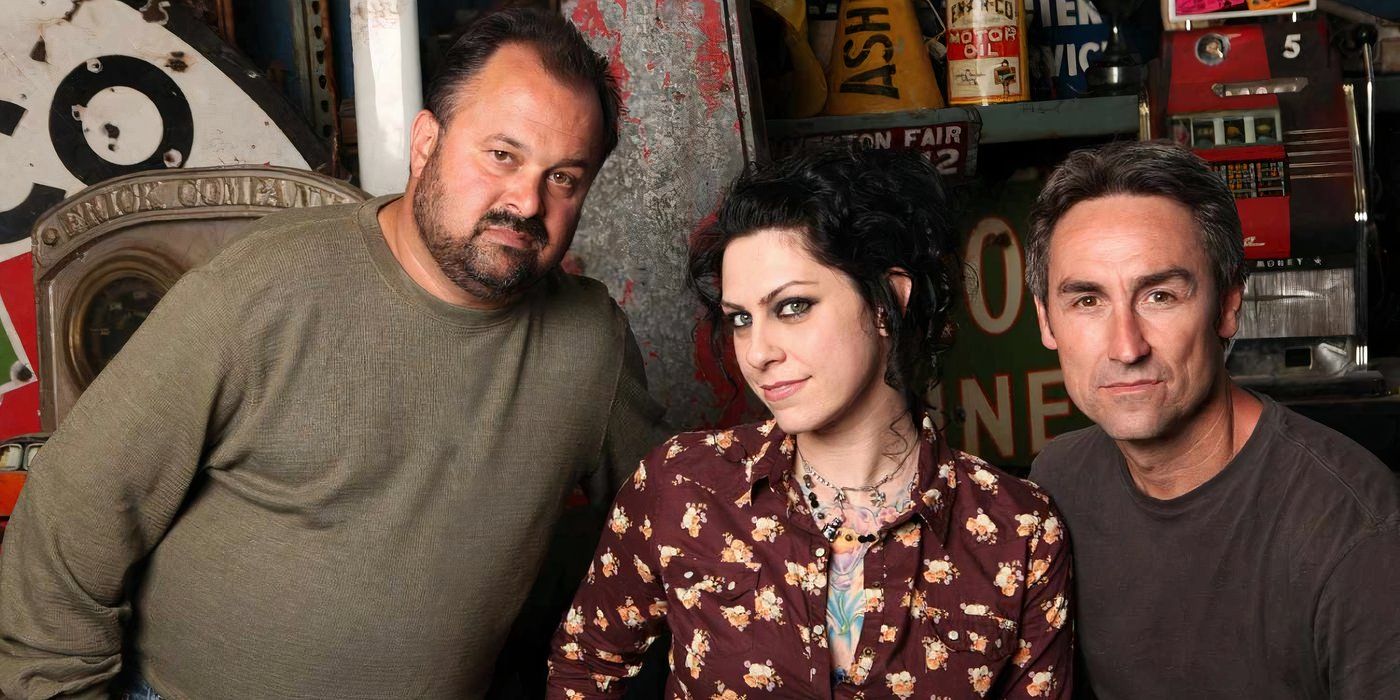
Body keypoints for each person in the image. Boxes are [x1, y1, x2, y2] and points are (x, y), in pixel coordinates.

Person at [0, 8, 665, 699]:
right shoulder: (259, 290)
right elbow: (71, 518)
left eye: (565, 178)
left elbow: (685, 522)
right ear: (425, 143)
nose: (527, 202)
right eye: (502, 155)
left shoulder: (592, 344)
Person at [546, 145, 1074, 698]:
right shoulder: (683, 487)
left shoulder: (1018, 533)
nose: (757, 352)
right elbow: (584, 669)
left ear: (886, 301)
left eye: (792, 307)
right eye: (741, 319)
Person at [1025, 140, 1400, 699]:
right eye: (1087, 301)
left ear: (1227, 307)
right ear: (1046, 322)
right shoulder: (1057, 483)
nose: (1126, 346)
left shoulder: (1354, 532)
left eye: (1160, 295)